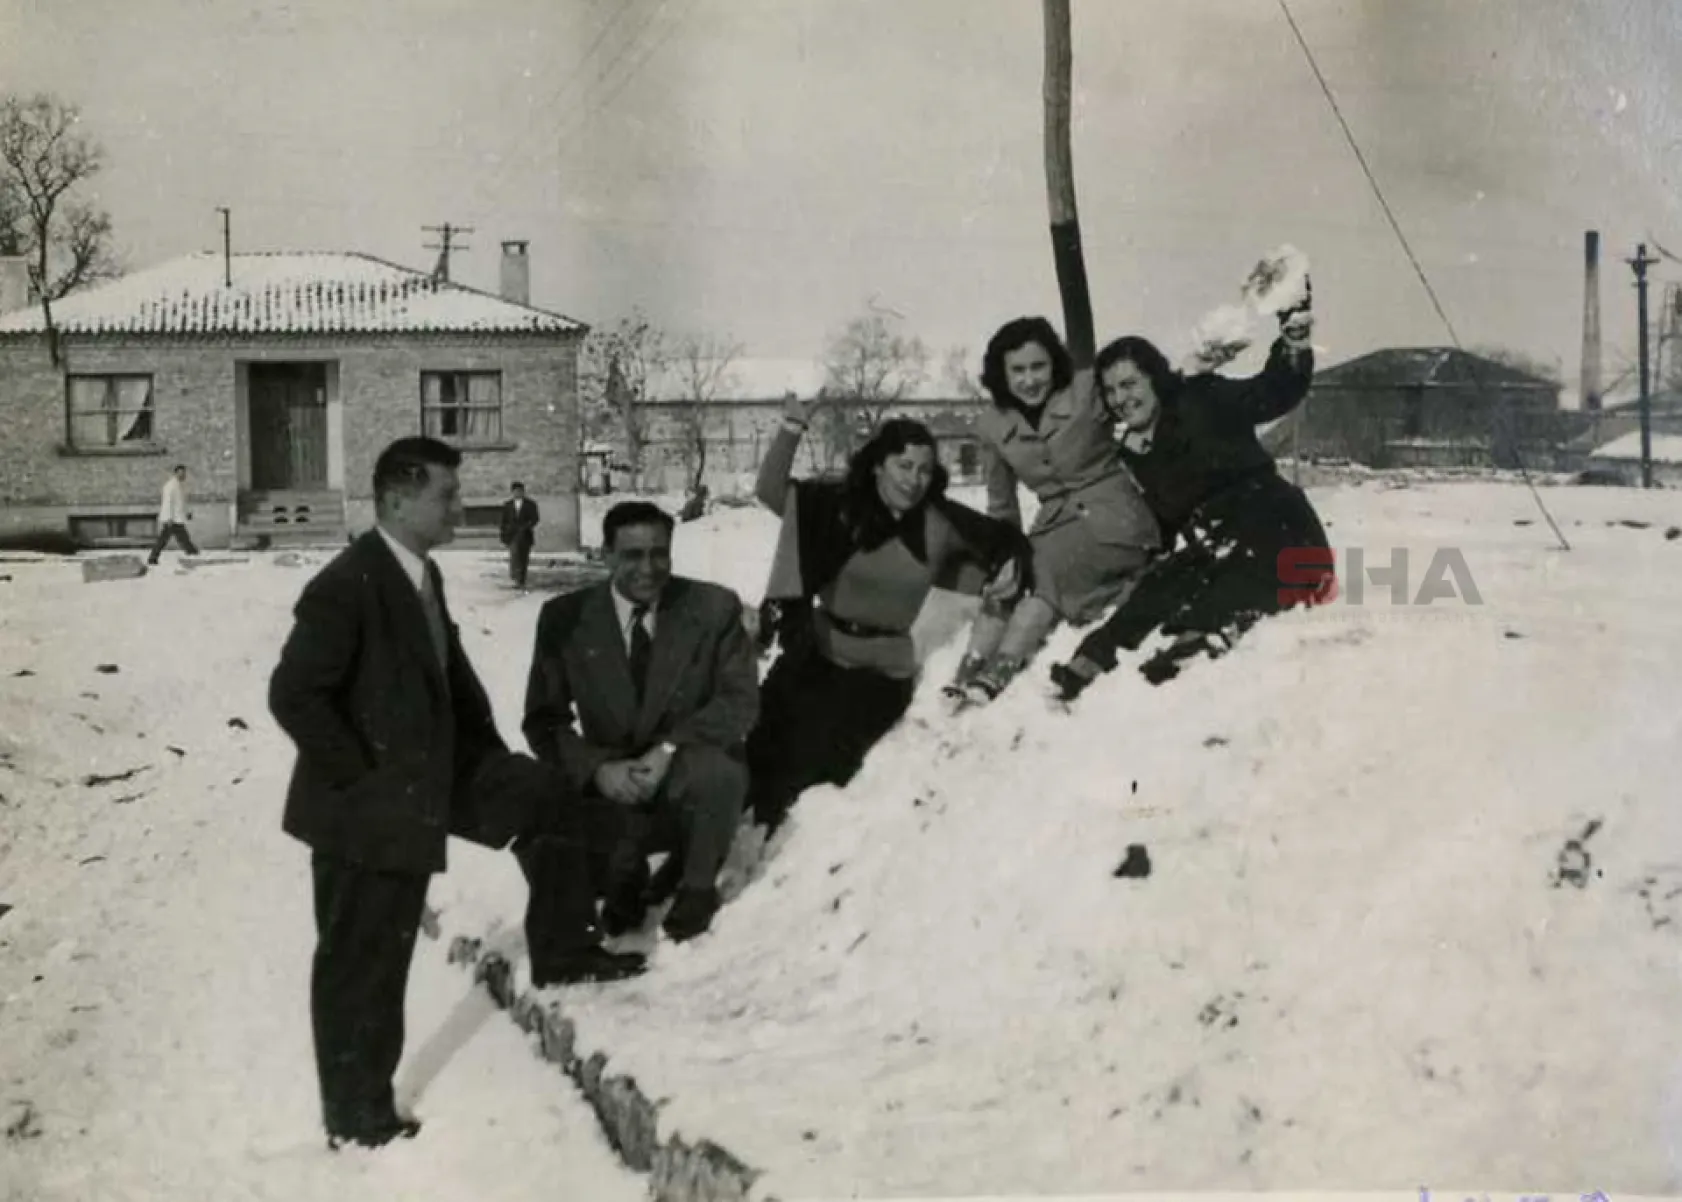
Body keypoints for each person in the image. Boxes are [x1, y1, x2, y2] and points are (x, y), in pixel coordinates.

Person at [269, 436, 643, 1154]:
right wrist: (366, 779)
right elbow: (293, 696)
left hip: (444, 771)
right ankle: (356, 1115)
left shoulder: (421, 574)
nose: (457, 504)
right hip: (365, 810)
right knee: (363, 961)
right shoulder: (348, 584)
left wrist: (494, 764)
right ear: (398, 499)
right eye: (444, 493)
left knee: (552, 797)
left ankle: (565, 946)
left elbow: (447, 680)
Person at [748, 401, 1034, 833]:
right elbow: (771, 492)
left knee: (816, 762)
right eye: (903, 466)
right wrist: (792, 425)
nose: (914, 480)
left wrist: (1012, 562)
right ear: (877, 465)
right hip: (817, 651)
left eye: (923, 469)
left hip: (880, 672)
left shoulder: (939, 521)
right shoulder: (835, 506)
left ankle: (774, 850)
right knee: (760, 742)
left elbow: (1004, 540)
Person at [1049, 294, 1334, 698]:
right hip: (1216, 541)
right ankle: (1088, 663)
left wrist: (1293, 335)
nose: (1120, 398)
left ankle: (1188, 652)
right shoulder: (1133, 449)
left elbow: (1276, 391)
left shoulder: (1200, 399)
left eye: (1130, 384)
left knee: (1224, 591)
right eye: (1110, 390)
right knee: (1159, 586)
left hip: (1280, 531)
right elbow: (1165, 521)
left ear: (1155, 379)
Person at [523, 501, 759, 943]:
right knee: (554, 826)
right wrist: (596, 769)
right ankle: (621, 880)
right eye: (632, 556)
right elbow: (543, 720)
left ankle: (697, 886)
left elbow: (740, 701)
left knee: (720, 771)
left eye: (659, 554)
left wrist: (670, 749)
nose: (648, 569)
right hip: (612, 782)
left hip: (682, 772)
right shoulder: (565, 619)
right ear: (606, 555)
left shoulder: (711, 608)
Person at [945, 317, 1162, 705]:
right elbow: (1002, 506)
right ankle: (968, 668)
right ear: (1002, 374)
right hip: (1057, 525)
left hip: (1117, 516)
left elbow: (1139, 402)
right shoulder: (992, 426)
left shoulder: (1085, 391)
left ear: (1054, 364)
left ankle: (1001, 669)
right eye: (1018, 370)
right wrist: (1005, 558)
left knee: (1044, 573)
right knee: (1013, 574)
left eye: (1038, 366)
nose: (1030, 380)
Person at [147, 464, 199, 565]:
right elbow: (168, 502)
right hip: (171, 518)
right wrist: (169, 518)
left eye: (184, 473)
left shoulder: (180, 485)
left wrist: (186, 513)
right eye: (181, 473)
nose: (183, 475)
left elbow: (181, 502)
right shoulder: (170, 486)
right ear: (176, 473)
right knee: (164, 539)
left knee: (183, 537)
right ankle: (152, 558)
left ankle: (192, 552)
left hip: (177, 517)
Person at [499, 481, 540, 591]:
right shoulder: (507, 505)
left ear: (523, 492)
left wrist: (527, 526)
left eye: (520, 491)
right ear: (512, 492)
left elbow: (535, 519)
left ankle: (521, 579)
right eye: (515, 491)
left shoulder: (530, 504)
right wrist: (503, 535)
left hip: (525, 535)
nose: (518, 493)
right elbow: (503, 521)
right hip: (512, 535)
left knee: (523, 557)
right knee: (514, 555)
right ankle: (516, 578)